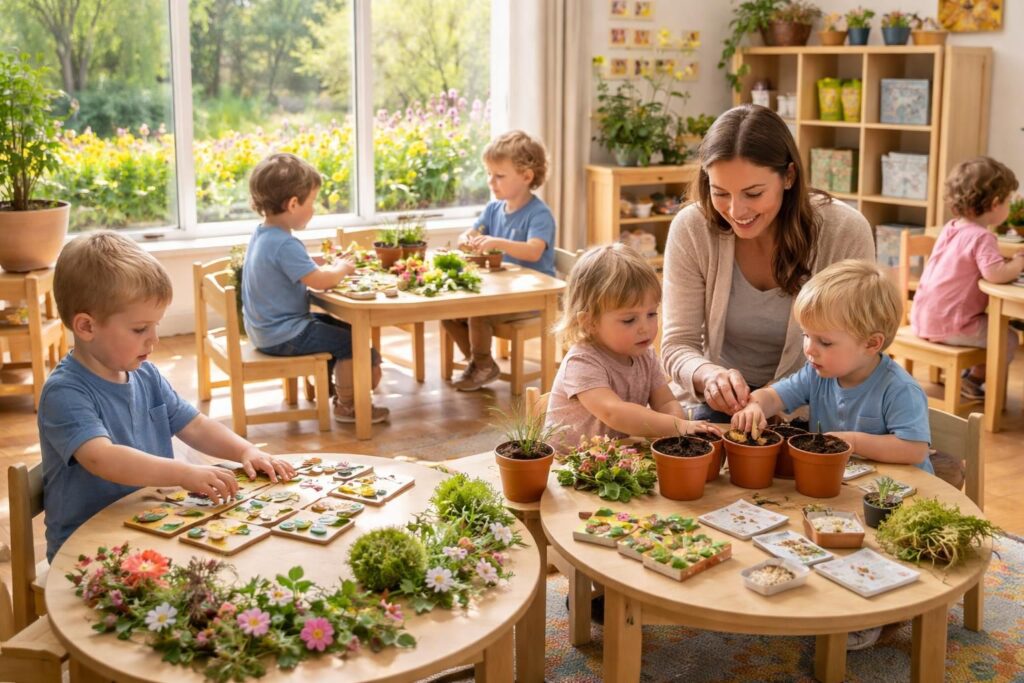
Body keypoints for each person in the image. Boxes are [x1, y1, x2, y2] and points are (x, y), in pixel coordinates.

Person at [40, 232, 296, 562]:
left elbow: (196, 425)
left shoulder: (145, 372)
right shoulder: (65, 392)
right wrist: (182, 472)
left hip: (149, 526)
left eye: (156, 326)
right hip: (87, 549)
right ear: (87, 327)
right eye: (139, 329)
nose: (154, 340)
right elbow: (102, 458)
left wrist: (246, 450)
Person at [661, 104, 875, 422]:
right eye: (720, 193)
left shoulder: (844, 231)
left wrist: (774, 398)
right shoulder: (692, 228)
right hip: (723, 407)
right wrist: (708, 376)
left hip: (817, 406)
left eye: (753, 193)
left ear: (788, 176)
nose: (736, 210)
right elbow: (678, 345)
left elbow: (858, 350)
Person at [731, 259, 932, 472]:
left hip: (901, 495)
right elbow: (773, 396)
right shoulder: (815, 374)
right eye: (806, 335)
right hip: (846, 485)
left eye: (825, 342)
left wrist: (852, 441)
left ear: (872, 343)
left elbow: (914, 449)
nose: (809, 349)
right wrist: (755, 406)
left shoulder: (900, 389)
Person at [242, 152, 388, 423]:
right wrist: (342, 269)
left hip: (267, 330)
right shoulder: (286, 244)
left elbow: (295, 267)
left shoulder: (264, 234)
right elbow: (322, 281)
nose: (315, 209)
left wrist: (322, 263)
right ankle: (348, 405)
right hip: (285, 334)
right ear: (294, 203)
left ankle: (337, 389)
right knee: (352, 344)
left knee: (349, 330)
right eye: (313, 201)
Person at [544, 243, 718, 452]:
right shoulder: (581, 362)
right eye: (629, 320)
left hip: (617, 461)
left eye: (652, 314)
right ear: (589, 322)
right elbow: (613, 412)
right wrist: (678, 426)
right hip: (567, 467)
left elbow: (665, 403)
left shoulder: (646, 356)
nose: (645, 328)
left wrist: (676, 425)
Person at [442, 130, 557, 391]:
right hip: (503, 292)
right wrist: (465, 239)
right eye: (489, 174)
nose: (491, 182)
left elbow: (533, 251)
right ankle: (481, 362)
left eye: (499, 176)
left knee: (478, 313)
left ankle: (481, 364)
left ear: (527, 177)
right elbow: (471, 232)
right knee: (449, 313)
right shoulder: (493, 209)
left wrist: (497, 243)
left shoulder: (539, 214)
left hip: (533, 297)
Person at [910, 156, 1023, 400]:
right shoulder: (983, 237)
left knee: (996, 329)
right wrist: (1018, 262)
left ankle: (967, 376)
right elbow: (995, 274)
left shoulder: (952, 228)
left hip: (922, 317)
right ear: (995, 204)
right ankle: (973, 380)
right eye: (1008, 201)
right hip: (953, 323)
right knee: (1010, 337)